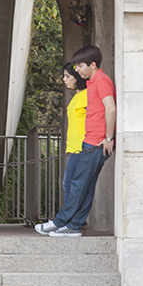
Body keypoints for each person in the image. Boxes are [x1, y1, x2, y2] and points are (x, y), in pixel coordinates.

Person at [37, 46, 116, 238]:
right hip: (90, 141)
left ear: (93, 64)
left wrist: (108, 138)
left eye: (80, 66)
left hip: (96, 142)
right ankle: (74, 225)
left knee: (79, 184)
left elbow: (111, 109)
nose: (77, 70)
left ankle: (60, 221)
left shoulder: (102, 81)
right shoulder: (93, 82)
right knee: (85, 185)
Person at [36, 66, 88, 234]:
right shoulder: (77, 96)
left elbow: (95, 118)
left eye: (67, 76)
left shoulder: (87, 95)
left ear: (77, 76)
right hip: (74, 148)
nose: (64, 80)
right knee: (71, 185)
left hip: (83, 147)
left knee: (73, 185)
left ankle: (69, 222)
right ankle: (73, 221)